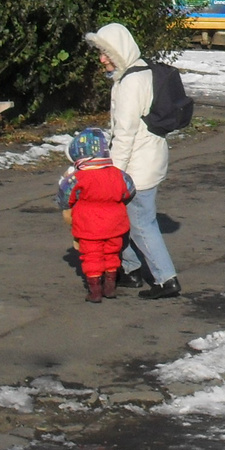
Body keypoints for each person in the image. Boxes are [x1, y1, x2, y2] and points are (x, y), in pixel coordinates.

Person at [84, 23, 180, 299]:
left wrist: (112, 174)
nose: (102, 59)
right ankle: (131, 270)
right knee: (119, 218)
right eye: (101, 53)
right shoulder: (143, 71)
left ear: (120, 52)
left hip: (138, 166)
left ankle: (166, 280)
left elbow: (124, 134)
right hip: (151, 158)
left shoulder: (129, 83)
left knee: (140, 223)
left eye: (107, 53)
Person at [56, 128, 135, 302]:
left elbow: (64, 196)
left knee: (91, 255)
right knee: (112, 253)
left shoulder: (79, 177)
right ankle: (110, 286)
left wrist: (68, 206)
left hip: (88, 224)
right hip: (115, 223)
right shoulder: (118, 174)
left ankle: (95, 290)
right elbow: (129, 191)